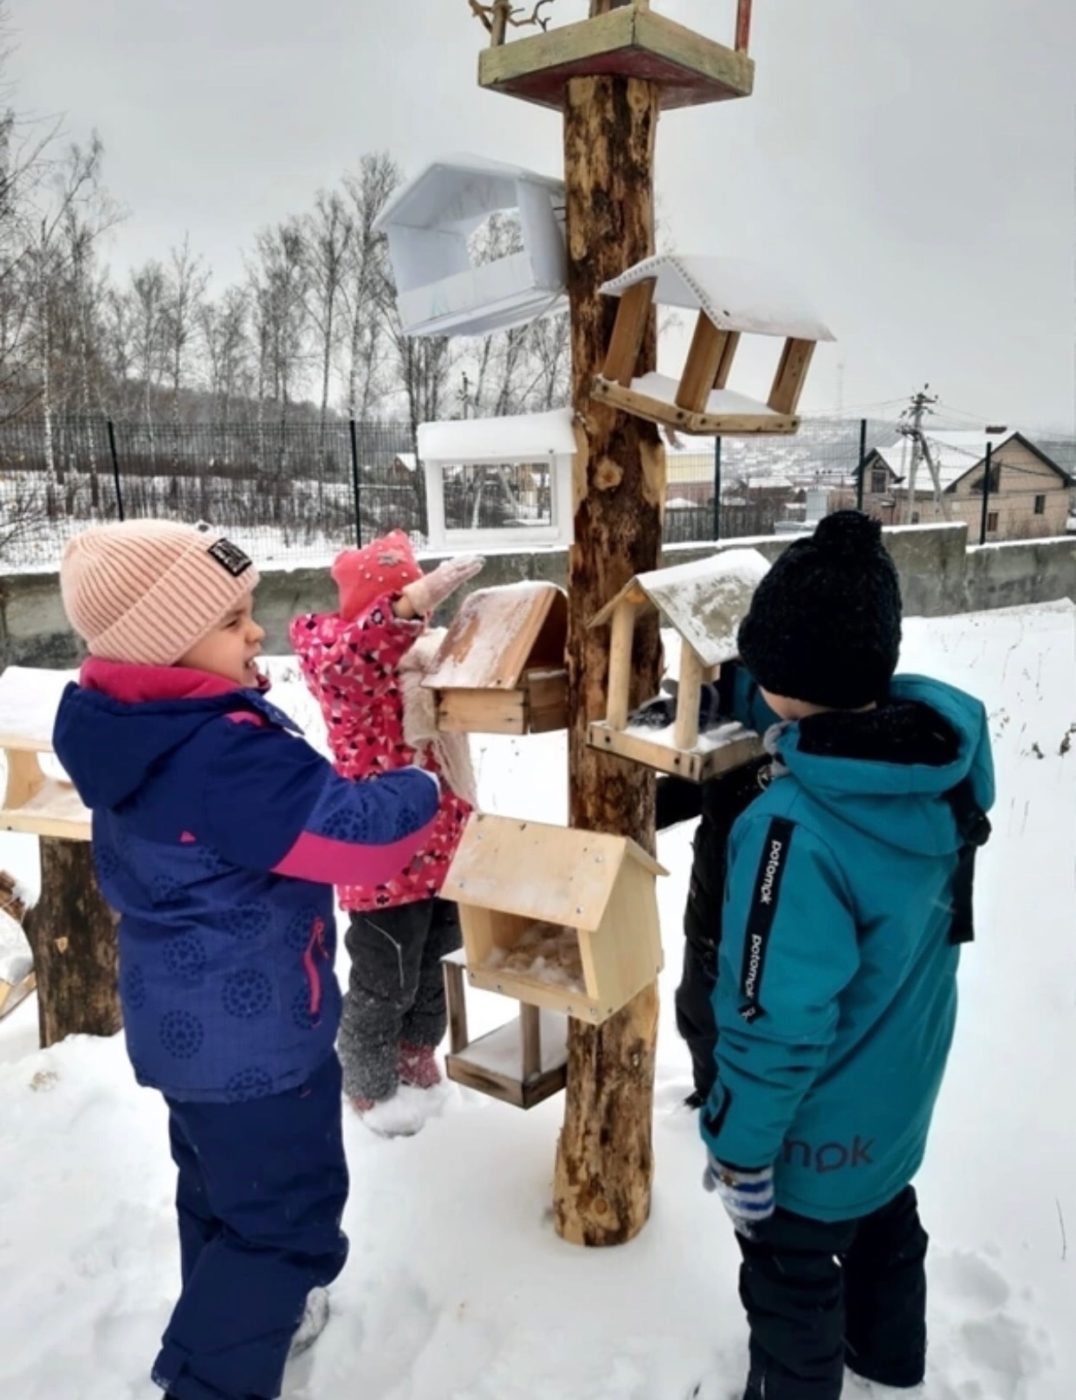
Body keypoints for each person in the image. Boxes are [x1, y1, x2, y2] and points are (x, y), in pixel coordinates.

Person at [52, 519, 441, 1400]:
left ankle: (228, 1325)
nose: (257, 632)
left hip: (187, 1034)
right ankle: (215, 1375)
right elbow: (353, 837)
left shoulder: (132, 727)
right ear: (168, 646)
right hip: (261, 1041)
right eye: (234, 619)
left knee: (224, 1200)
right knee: (288, 1227)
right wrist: (417, 786)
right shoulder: (222, 755)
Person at [698, 512, 994, 1400]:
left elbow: (772, 1016)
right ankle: (890, 1366)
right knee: (887, 1236)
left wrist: (743, 1151)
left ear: (785, 680)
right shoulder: (933, 770)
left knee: (791, 1287)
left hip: (810, 1136)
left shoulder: (790, 833)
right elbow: (827, 711)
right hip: (898, 1100)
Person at [290, 532, 483, 1136]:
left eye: (415, 602)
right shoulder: (344, 675)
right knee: (384, 981)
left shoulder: (424, 660)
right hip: (383, 865)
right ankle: (369, 1085)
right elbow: (359, 653)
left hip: (443, 849)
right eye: (398, 602)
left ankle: (417, 1054)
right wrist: (399, 610)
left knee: (437, 964)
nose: (414, 614)